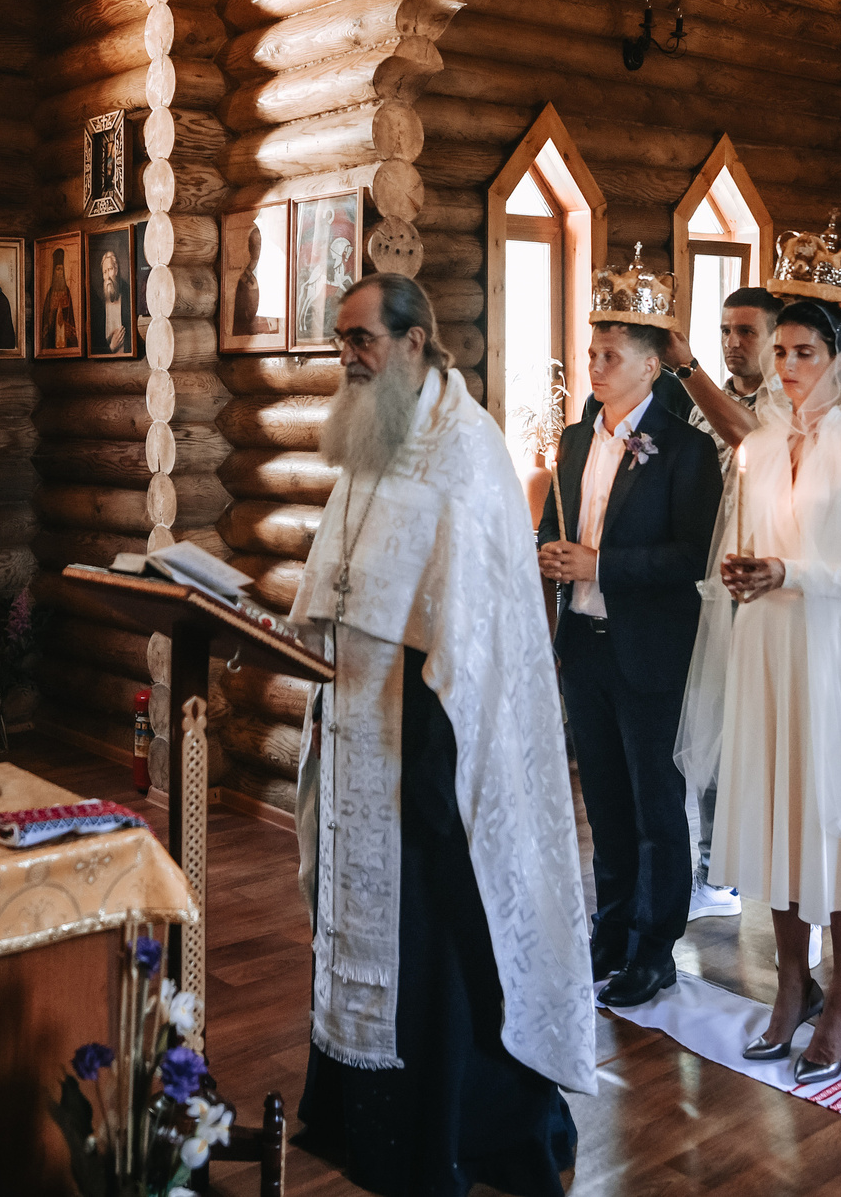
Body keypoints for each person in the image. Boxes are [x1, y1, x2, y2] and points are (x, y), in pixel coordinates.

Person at [290, 273, 594, 1197]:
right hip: (360, 719)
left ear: (415, 339)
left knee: (437, 937)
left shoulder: (466, 448)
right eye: (341, 340)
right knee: (363, 925)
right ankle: (358, 1114)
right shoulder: (373, 434)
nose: (347, 356)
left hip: (435, 738)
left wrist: (439, 749)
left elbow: (481, 621)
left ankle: (451, 1130)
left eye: (361, 338)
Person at [687, 298, 841, 1085]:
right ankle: (792, 988)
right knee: (778, 821)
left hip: (827, 649)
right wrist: (741, 571)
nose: (786, 366)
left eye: (803, 352)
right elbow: (745, 543)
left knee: (837, 820)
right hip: (764, 646)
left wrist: (793, 571)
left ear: (839, 357)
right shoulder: (755, 446)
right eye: (780, 351)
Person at [539, 319, 723, 1009]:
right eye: (592, 354)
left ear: (650, 367)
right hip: (584, 646)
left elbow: (694, 555)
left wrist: (603, 564)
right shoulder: (573, 440)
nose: (595, 365)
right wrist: (549, 554)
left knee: (655, 808)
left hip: (651, 649)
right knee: (605, 804)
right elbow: (555, 526)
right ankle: (609, 930)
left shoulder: (686, 448)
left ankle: (654, 949)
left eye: (611, 355)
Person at [658, 286, 779, 921]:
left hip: (766, 588)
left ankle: (776, 878)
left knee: (760, 735)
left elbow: (751, 441)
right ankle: (715, 870)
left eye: (747, 332)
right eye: (726, 330)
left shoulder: (788, 405)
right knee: (708, 728)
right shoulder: (699, 405)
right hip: (703, 583)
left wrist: (687, 367)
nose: (733, 343)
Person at [93, 248, 132, 354]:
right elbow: (96, 344)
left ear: (116, 270)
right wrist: (110, 347)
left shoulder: (128, 295)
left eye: (110, 269)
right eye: (104, 272)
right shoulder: (99, 303)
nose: (107, 277)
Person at [40, 249, 78, 351]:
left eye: (62, 269)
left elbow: (71, 316)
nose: (60, 272)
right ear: (54, 271)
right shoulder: (50, 293)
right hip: (53, 334)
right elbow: (46, 318)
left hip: (65, 334)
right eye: (58, 269)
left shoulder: (67, 291)